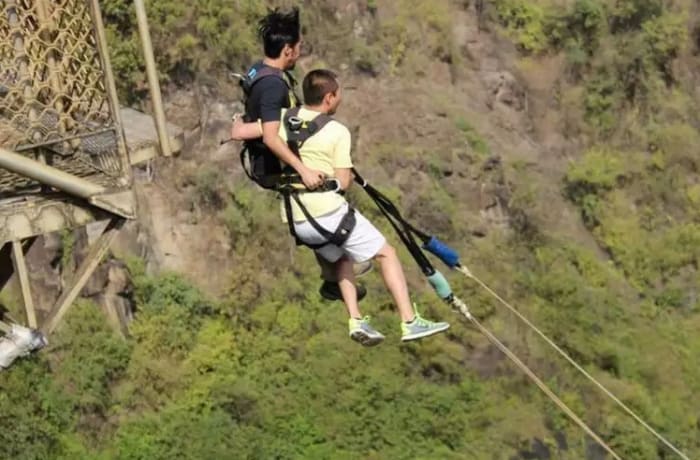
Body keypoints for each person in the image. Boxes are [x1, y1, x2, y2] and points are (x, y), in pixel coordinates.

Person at [279, 69, 450, 346]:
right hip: (328, 214)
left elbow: (257, 133)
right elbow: (344, 182)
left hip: (297, 219)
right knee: (386, 254)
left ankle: (356, 319)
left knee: (342, 258)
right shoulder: (336, 131)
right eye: (339, 94)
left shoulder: (285, 121)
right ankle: (409, 321)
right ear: (329, 97)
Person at [231, 7, 369, 303]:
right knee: (330, 192)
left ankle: (336, 273)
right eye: (298, 47)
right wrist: (302, 168)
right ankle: (343, 267)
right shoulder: (272, 86)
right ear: (287, 50)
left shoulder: (260, 70)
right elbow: (269, 133)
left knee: (314, 210)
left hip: (275, 161)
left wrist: (242, 123)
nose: (300, 51)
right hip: (277, 165)